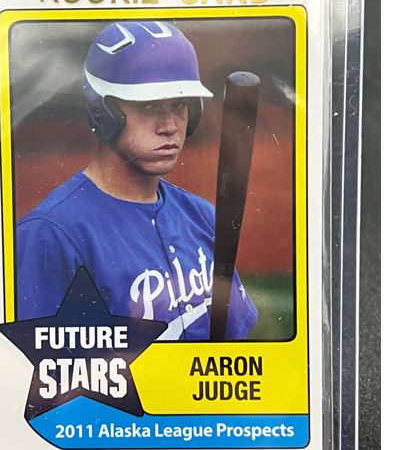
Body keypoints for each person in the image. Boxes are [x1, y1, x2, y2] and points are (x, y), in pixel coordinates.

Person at [16, 21, 258, 340]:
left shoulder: (202, 216)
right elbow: (37, 364)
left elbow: (241, 345)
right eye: (149, 106)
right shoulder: (52, 234)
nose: (169, 126)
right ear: (103, 113)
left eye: (179, 105)